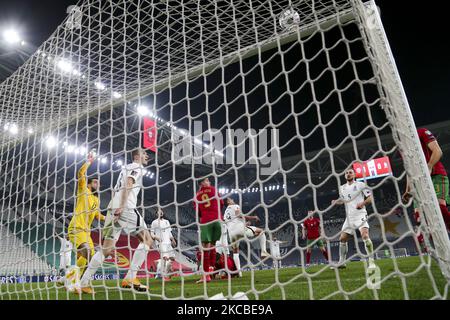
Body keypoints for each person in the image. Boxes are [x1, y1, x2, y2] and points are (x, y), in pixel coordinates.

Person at [78, 148, 153, 294]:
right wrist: (122, 206)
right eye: (144, 153)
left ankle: (83, 283)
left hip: (112, 207)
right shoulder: (136, 167)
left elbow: (116, 189)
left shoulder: (125, 168)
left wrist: (116, 206)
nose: (147, 156)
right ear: (137, 156)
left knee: (105, 250)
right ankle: (130, 277)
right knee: (147, 240)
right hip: (125, 207)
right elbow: (128, 184)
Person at [66, 151, 105, 282]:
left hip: (86, 232)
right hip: (76, 227)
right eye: (95, 182)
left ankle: (67, 278)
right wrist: (89, 161)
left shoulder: (96, 200)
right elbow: (80, 174)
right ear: (88, 184)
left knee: (89, 257)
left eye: (98, 183)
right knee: (88, 254)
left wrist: (110, 218)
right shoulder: (84, 190)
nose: (97, 185)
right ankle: (78, 282)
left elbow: (97, 215)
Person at [403, 128, 450, 231]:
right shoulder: (402, 145)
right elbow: (409, 168)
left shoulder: (421, 132)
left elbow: (438, 151)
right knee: (418, 217)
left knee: (440, 209)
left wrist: (429, 166)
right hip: (419, 182)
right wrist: (408, 188)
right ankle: (427, 246)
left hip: (436, 176)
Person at [331, 168, 376, 269]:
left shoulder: (361, 185)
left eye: (350, 172)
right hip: (349, 217)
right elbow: (344, 200)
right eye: (346, 173)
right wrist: (336, 202)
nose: (348, 174)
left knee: (365, 236)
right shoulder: (341, 188)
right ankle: (341, 262)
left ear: (354, 174)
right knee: (342, 239)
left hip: (360, 214)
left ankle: (371, 261)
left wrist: (362, 203)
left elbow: (370, 198)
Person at [223, 197, 269, 277]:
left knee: (235, 252)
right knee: (261, 231)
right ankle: (264, 252)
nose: (233, 200)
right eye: (231, 199)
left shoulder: (225, 213)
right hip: (240, 230)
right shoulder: (235, 206)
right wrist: (253, 217)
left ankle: (239, 273)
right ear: (228, 202)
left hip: (231, 234)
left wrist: (245, 224)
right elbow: (239, 215)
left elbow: (233, 221)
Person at [193, 177, 224, 283]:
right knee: (213, 245)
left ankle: (206, 276)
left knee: (205, 248)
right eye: (207, 180)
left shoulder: (197, 195)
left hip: (206, 220)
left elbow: (197, 211)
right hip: (217, 220)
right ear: (201, 182)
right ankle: (211, 268)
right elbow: (221, 203)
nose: (209, 182)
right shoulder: (214, 189)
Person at [150, 208, 177, 281]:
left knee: (172, 259)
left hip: (168, 243)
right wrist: (156, 237)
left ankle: (159, 262)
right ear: (156, 214)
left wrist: (173, 240)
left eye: (161, 211)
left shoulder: (167, 222)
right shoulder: (154, 222)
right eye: (158, 212)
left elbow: (169, 232)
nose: (160, 213)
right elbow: (151, 233)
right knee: (165, 258)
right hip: (161, 243)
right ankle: (164, 276)